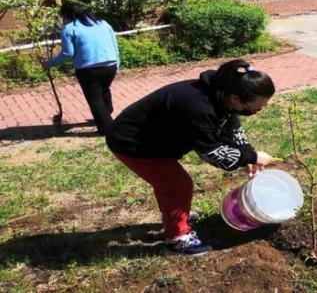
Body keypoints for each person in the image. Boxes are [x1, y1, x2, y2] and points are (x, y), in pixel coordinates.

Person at [105, 59, 275, 255]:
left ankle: (177, 213)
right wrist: (250, 157)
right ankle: (177, 239)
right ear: (236, 99)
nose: (260, 110)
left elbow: (231, 125)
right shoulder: (198, 106)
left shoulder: (221, 94)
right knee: (176, 185)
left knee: (170, 184)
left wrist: (248, 153)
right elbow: (212, 153)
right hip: (133, 143)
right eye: (258, 107)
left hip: (155, 140)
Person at [46, 2, 119, 135]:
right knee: (104, 90)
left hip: (88, 69)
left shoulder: (68, 29)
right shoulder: (103, 23)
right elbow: (114, 44)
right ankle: (107, 115)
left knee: (95, 99)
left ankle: (107, 129)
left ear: (66, 15)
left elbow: (68, 53)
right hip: (110, 65)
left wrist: (50, 63)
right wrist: (117, 63)